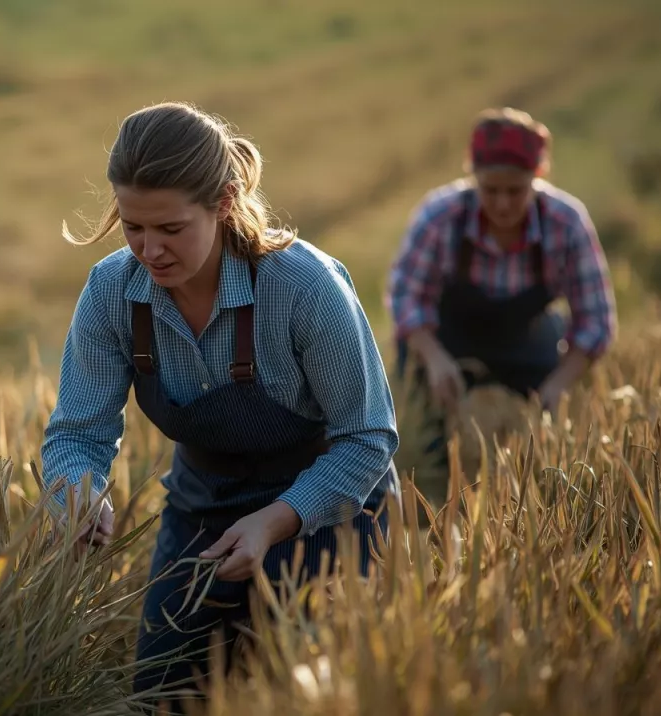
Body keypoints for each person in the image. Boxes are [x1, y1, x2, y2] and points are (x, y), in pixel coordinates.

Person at [39, 102, 400, 712]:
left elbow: (368, 438)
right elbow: (77, 431)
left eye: (171, 229)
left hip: (331, 515)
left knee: (306, 694)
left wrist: (274, 520)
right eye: (132, 226)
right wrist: (76, 490)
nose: (148, 250)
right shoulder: (110, 291)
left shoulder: (305, 287)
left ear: (225, 201)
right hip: (198, 513)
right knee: (161, 700)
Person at [386, 107, 617, 420]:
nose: (503, 203)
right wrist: (434, 358)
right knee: (419, 416)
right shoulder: (439, 217)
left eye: (515, 190)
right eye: (491, 190)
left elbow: (596, 319)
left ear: (538, 176)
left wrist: (560, 383)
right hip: (448, 338)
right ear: (473, 177)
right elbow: (405, 297)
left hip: (528, 340)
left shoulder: (567, 223)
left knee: (553, 428)